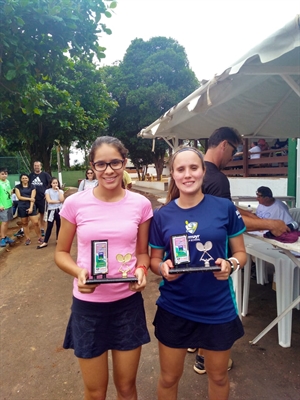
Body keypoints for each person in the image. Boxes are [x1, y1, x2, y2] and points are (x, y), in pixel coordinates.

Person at [54, 136, 153, 400]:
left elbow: (143, 253)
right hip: (88, 308)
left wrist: (142, 270)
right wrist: (78, 273)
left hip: (127, 305)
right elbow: (61, 253)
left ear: (124, 163)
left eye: (115, 163)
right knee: (95, 392)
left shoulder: (141, 204)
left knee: (126, 388)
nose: (108, 170)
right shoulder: (75, 204)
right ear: (92, 166)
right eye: (101, 164)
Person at [149, 145, 247, 400]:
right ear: (173, 174)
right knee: (169, 378)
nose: (187, 174)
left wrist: (231, 265)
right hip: (175, 307)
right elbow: (154, 260)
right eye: (181, 169)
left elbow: (240, 254)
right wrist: (162, 268)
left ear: (203, 171)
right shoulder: (162, 215)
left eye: (194, 167)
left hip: (217, 308)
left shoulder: (224, 207)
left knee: (218, 376)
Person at [196, 126, 290, 375]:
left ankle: (194, 346)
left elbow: (230, 209)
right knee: (216, 307)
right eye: (234, 151)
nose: (233, 157)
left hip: (197, 251)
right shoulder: (215, 178)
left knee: (199, 302)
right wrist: (270, 223)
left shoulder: (200, 174)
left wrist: (254, 214)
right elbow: (232, 221)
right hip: (216, 255)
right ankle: (205, 360)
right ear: (224, 145)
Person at [15, 173, 44, 246]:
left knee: (35, 223)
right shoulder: (17, 187)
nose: (24, 179)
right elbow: (19, 197)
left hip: (31, 205)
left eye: (26, 178)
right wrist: (29, 198)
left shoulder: (32, 186)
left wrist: (31, 207)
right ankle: (27, 239)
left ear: (28, 179)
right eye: (23, 178)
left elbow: (33, 198)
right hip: (22, 206)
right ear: (21, 179)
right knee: (24, 223)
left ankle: (40, 237)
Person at [37, 177, 65, 249]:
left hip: (59, 210)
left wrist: (58, 191)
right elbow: (49, 201)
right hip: (51, 210)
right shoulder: (48, 191)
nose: (55, 184)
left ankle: (58, 239)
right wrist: (58, 201)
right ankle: (45, 241)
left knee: (59, 225)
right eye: (53, 183)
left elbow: (62, 199)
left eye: (56, 183)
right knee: (49, 226)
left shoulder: (61, 191)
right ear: (51, 184)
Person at [29, 161, 51, 237]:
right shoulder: (30, 175)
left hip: (43, 198)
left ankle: (42, 228)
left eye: (38, 165)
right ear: (33, 166)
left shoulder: (45, 175)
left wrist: (48, 194)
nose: (36, 167)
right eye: (35, 165)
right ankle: (25, 229)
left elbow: (50, 184)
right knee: (32, 214)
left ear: (41, 166)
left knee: (42, 214)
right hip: (33, 199)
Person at [0, 167, 15, 247]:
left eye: (6, 174)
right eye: (2, 174)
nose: (4, 176)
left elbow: (9, 192)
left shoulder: (8, 182)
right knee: (4, 222)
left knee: (8, 221)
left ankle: (5, 237)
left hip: (9, 204)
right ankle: (2, 238)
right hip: (3, 206)